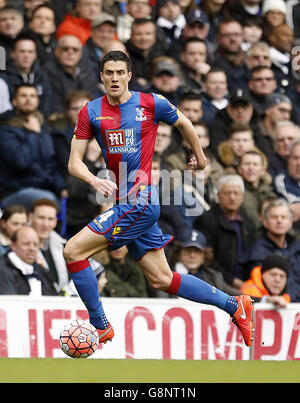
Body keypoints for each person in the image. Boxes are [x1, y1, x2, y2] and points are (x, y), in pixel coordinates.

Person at [62, 50, 254, 347]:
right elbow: (74, 163)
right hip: (123, 203)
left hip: (141, 202)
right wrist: (94, 179)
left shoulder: (150, 103)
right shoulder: (91, 111)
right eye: (108, 73)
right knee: (161, 279)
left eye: (119, 72)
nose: (114, 78)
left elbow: (185, 123)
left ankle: (100, 326)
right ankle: (234, 305)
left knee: (73, 251)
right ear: (101, 76)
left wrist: (200, 158)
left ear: (129, 75)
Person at [0, 84, 66, 210]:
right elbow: (21, 162)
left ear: (37, 101)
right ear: (14, 101)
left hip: (42, 188)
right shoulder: (5, 130)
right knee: (48, 202)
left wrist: (62, 187)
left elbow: (50, 163)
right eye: (23, 96)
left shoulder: (42, 129)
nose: (28, 99)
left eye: (32, 96)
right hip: (14, 191)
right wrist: (32, 134)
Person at [193, 174, 256, 289]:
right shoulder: (206, 220)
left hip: (246, 282)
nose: (232, 197)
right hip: (216, 282)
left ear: (242, 197)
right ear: (218, 196)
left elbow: (252, 254)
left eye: (236, 193)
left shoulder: (248, 222)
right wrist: (233, 281)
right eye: (227, 193)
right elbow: (207, 259)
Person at [238, 198, 300, 302]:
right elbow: (263, 285)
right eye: (274, 217)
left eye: (283, 217)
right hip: (273, 307)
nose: (279, 221)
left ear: (290, 223)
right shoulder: (257, 251)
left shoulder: (297, 247)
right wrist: (287, 299)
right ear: (265, 222)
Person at [169, 228, 240, 295]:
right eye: (188, 250)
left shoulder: (214, 277)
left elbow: (233, 294)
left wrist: (249, 297)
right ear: (178, 253)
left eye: (197, 251)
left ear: (204, 255)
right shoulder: (167, 275)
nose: (192, 255)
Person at [0, 32, 53, 117]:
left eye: (30, 52)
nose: (26, 56)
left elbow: (47, 108)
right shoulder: (3, 79)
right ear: (13, 54)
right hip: (11, 125)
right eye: (22, 51)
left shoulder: (42, 77)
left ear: (35, 55)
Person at [43, 34, 97, 114]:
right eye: (65, 49)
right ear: (56, 51)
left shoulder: (89, 71)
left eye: (75, 50)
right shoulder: (48, 70)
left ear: (80, 54)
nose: (70, 52)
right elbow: (53, 102)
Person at [0, 225, 58, 296]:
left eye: (35, 244)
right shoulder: (2, 270)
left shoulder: (42, 270)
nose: (32, 249)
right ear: (13, 245)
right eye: (26, 244)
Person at [29, 198, 69, 293]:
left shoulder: (64, 246)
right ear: (30, 218)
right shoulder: (19, 248)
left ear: (55, 222)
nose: (45, 224)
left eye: (50, 219)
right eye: (41, 218)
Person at [237, 150, 276, 229]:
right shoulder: (235, 193)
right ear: (239, 169)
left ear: (263, 170)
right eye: (247, 164)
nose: (251, 168)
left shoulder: (271, 191)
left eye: (255, 164)